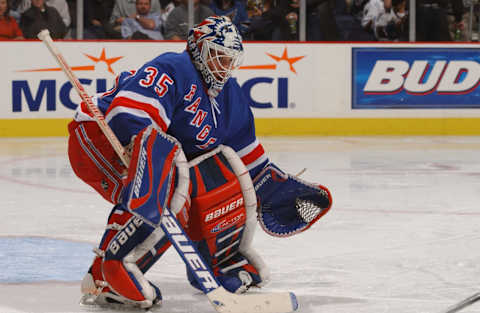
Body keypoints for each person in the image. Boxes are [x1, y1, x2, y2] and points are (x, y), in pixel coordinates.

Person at [68, 15, 332, 309]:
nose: (224, 67)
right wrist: (147, 154)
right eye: (217, 57)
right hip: (97, 139)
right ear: (197, 49)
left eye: (229, 60)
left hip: (155, 153)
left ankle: (218, 263)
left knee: (221, 172)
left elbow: (248, 162)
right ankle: (108, 272)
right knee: (169, 178)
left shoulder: (230, 96)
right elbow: (126, 116)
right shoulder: (174, 67)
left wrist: (273, 188)